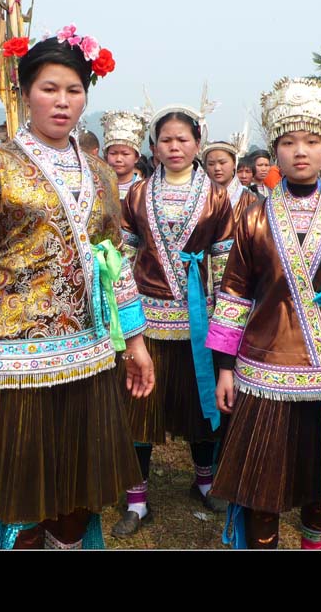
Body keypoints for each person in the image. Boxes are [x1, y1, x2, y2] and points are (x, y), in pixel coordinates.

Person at [0, 26, 154, 550]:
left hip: (91, 353)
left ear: (86, 96)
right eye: (49, 88)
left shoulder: (101, 173)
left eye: (73, 90)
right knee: (26, 499)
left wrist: (137, 342)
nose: (62, 101)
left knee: (79, 494)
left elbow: (114, 263)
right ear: (25, 93)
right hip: (15, 357)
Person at [205, 77, 321, 549]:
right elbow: (233, 294)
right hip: (264, 368)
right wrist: (224, 368)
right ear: (276, 150)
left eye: (310, 141)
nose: (299, 152)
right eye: (288, 142)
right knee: (261, 485)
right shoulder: (252, 216)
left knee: (319, 483)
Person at [112, 103, 235, 537]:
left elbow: (224, 259)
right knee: (140, 405)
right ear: (154, 146)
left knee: (202, 402)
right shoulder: (138, 194)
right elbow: (124, 252)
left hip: (200, 316)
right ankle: (137, 498)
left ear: (198, 144)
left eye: (183, 139)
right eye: (166, 140)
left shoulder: (217, 197)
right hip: (147, 315)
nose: (175, 146)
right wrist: (120, 307)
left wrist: (223, 314)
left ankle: (204, 481)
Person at [203, 136, 263, 221]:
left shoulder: (250, 199)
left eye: (222, 162)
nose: (217, 168)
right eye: (211, 164)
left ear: (234, 163)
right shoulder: (201, 197)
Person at [101, 110, 148, 202]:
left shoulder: (145, 189)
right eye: (113, 153)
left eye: (125, 154)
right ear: (106, 156)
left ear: (136, 157)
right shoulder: (97, 185)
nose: (118, 159)